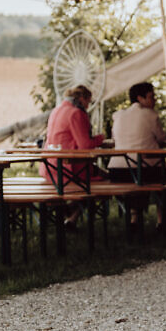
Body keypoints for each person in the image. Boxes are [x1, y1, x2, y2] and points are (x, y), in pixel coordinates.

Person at [40, 84, 105, 225]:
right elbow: (85, 145)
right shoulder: (76, 113)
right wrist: (101, 138)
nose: (88, 106)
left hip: (49, 169)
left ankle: (71, 216)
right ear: (82, 99)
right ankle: (73, 213)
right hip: (69, 170)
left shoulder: (57, 110)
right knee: (104, 181)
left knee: (92, 181)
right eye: (88, 101)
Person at [108, 82, 166, 183]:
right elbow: (161, 139)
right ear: (140, 98)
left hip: (116, 170)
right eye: (151, 97)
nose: (155, 100)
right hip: (144, 170)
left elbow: (114, 139)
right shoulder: (151, 114)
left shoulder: (118, 115)